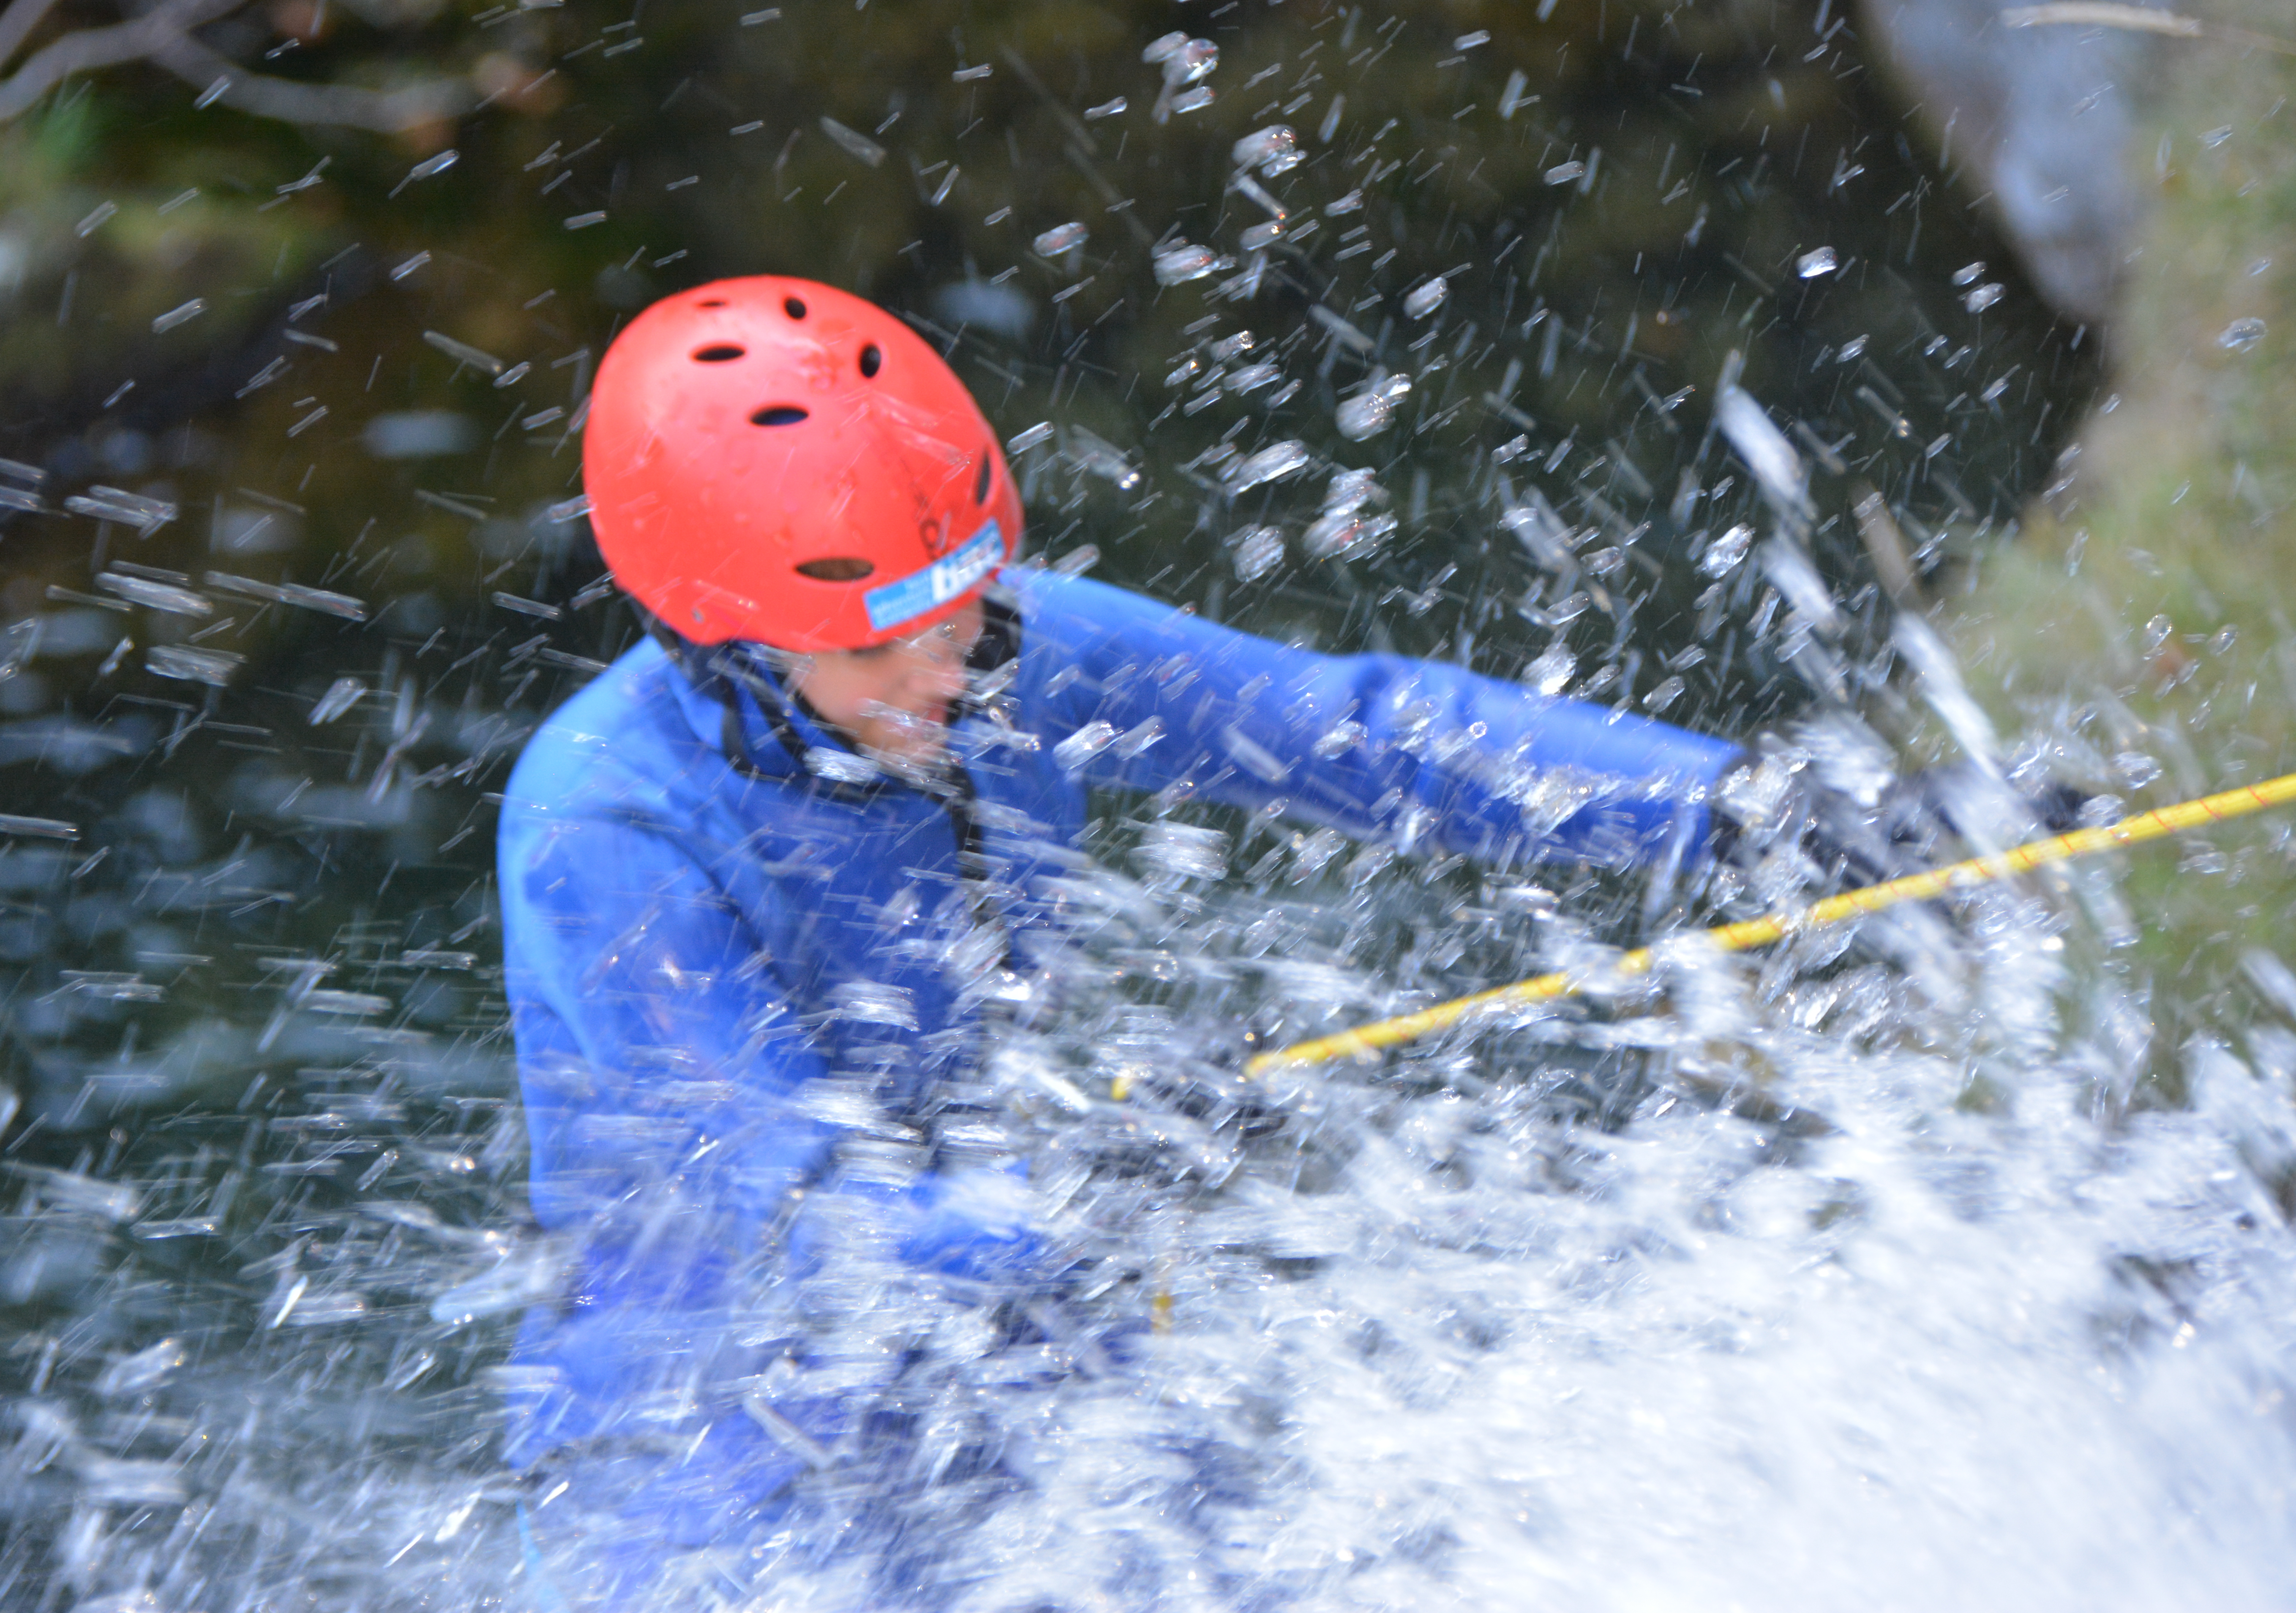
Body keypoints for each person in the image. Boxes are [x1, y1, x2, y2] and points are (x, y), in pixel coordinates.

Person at [497, 275, 1747, 1605]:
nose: (944, 677)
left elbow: (1360, 737)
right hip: (719, 1446)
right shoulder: (604, 826)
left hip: (1003, 1338)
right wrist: (1086, 1193)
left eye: (958, 616)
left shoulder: (1003, 660)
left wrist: (1733, 805)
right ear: (719, 638)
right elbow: (800, 1215)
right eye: (877, 652)